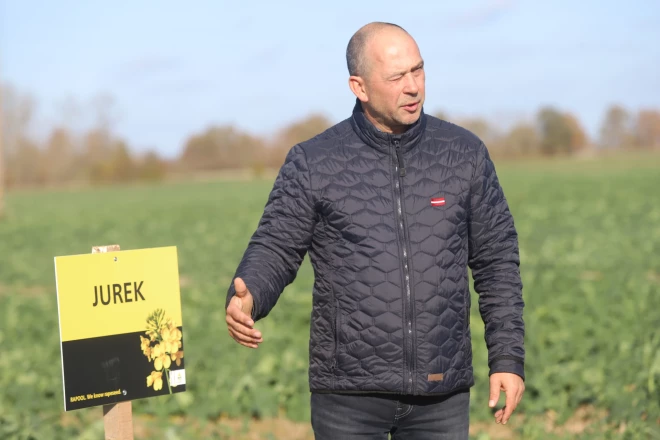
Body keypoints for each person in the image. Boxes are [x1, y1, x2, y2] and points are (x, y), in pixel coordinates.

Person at [225, 21, 525, 439]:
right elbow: (276, 244)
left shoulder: (464, 154)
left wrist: (507, 358)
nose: (413, 87)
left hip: (441, 392)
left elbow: (497, 262)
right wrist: (249, 295)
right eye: (397, 77)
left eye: (418, 71)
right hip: (348, 397)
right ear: (359, 87)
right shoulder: (315, 161)